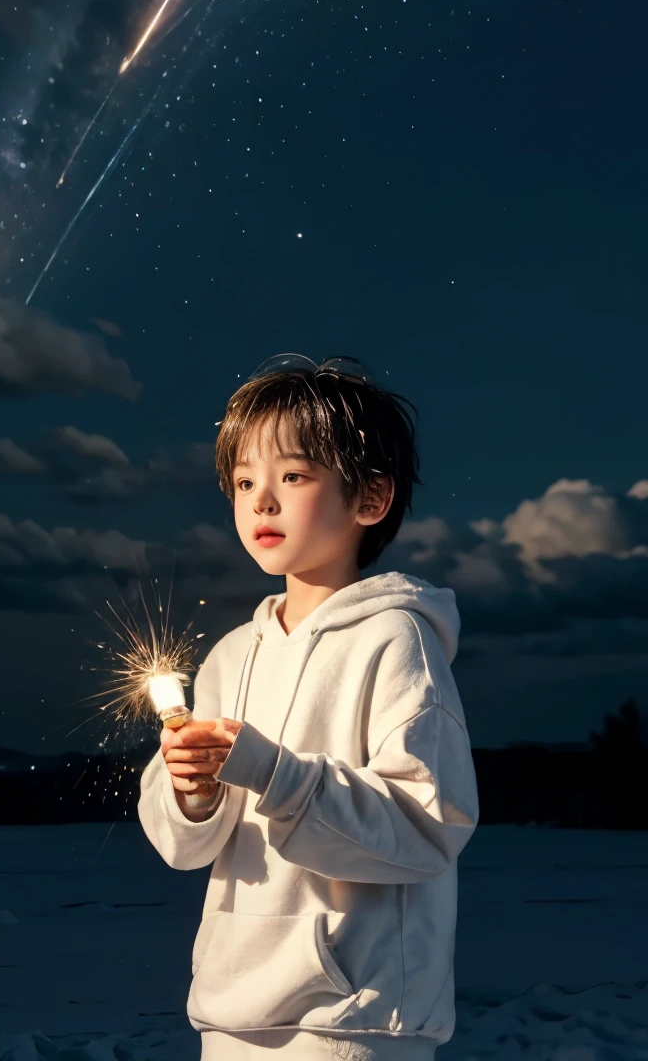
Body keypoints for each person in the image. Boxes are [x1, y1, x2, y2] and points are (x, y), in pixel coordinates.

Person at [139, 354, 478, 1061]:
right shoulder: (233, 654)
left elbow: (428, 824)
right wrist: (191, 794)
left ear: (371, 499)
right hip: (231, 1017)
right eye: (243, 481)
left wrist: (273, 773)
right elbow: (185, 847)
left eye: (292, 476)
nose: (261, 500)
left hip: (351, 1022)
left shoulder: (396, 638)